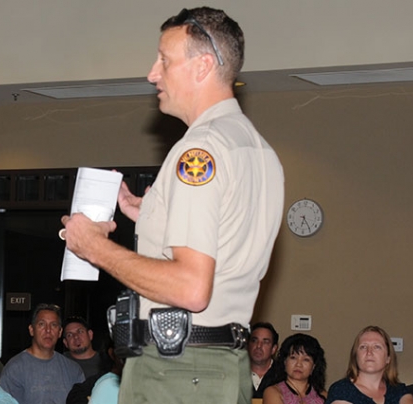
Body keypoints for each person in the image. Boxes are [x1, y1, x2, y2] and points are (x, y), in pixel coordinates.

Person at [60, 6, 284, 404]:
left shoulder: (199, 149)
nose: (152, 74)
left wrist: (92, 247)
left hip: (179, 372)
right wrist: (151, 216)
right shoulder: (258, 149)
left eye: (164, 60)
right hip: (219, 366)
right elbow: (227, 237)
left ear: (201, 66)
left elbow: (192, 287)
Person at [0, 304, 85, 404]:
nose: (48, 330)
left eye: (53, 325)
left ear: (60, 332)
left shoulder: (73, 370)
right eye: (42, 324)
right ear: (32, 330)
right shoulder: (15, 369)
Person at [326, 326, 413, 404]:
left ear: (388, 358)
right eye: (363, 347)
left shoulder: (399, 390)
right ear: (356, 356)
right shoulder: (341, 390)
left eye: (377, 347)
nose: (369, 352)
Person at [260, 333, 326, 404]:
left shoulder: (323, 395)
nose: (298, 364)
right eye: (293, 358)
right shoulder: (273, 392)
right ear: (285, 362)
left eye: (306, 360)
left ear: (314, 366)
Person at [250, 322, 280, 397]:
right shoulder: (235, 372)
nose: (259, 346)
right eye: (254, 340)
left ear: (273, 349)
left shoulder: (283, 375)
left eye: (265, 342)